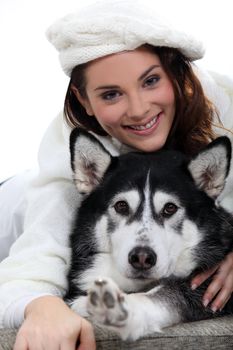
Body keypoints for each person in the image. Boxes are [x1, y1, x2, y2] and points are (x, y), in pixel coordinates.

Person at [0, 0, 233, 349]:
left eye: (151, 81)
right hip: (14, 206)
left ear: (176, 73)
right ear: (84, 100)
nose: (139, 110)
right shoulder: (69, 153)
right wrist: (41, 304)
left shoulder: (223, 109)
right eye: (111, 94)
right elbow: (35, 259)